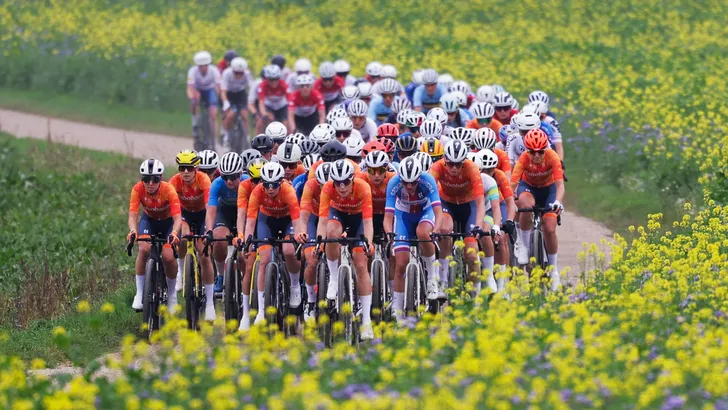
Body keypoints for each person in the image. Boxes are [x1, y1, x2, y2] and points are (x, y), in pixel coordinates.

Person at [237, 162, 306, 329]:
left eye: (274, 185)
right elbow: (250, 221)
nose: (270, 189)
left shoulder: (288, 191)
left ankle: (295, 285)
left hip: (286, 221)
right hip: (266, 221)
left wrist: (298, 235)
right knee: (264, 259)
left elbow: (297, 219)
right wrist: (246, 242)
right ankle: (261, 311)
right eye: (266, 184)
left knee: (288, 250)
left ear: (281, 182)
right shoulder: (257, 192)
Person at [316, 159, 375, 340]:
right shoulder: (328, 188)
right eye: (337, 183)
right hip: (338, 214)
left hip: (359, 219)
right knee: (331, 233)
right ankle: (334, 279)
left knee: (361, 265)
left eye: (346, 182)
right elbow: (322, 220)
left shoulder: (363, 187)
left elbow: (368, 222)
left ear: (352, 179)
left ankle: (366, 320)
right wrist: (319, 242)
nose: (342, 187)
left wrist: (368, 243)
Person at [384, 156, 442, 320]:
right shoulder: (393, 183)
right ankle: (397, 310)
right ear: (400, 179)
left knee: (422, 232)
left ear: (419, 178)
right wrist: (389, 233)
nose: (409, 186)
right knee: (401, 264)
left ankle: (432, 277)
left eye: (413, 183)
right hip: (403, 216)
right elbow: (388, 216)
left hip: (425, 212)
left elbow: (438, 212)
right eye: (405, 183)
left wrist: (436, 231)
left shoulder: (428, 180)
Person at [510, 129, 565, 291]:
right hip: (529, 188)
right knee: (526, 207)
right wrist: (511, 201)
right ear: (527, 150)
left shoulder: (552, 156)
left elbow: (560, 185)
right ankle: (525, 246)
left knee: (549, 228)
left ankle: (554, 271)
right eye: (532, 152)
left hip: (549, 190)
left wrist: (558, 201)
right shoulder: (523, 159)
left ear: (545, 148)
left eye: (540, 151)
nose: (536, 155)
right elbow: (512, 184)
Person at [428, 141, 485, 290]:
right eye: (451, 164)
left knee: (472, 254)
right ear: (445, 160)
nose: (454, 168)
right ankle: (443, 281)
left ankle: (476, 294)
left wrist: (478, 226)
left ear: (464, 162)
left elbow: (480, 202)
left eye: (458, 164)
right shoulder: (437, 167)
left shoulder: (472, 168)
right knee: (445, 230)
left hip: (469, 205)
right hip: (447, 203)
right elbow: (428, 194)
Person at [127, 159, 182, 313]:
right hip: (149, 221)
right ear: (142, 179)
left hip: (168, 223)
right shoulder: (137, 189)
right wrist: (133, 230)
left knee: (168, 257)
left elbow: (178, 218)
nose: (150, 183)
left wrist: (174, 233)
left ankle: (172, 295)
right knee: (143, 249)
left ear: (161, 178)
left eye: (155, 179)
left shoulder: (168, 189)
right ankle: (140, 293)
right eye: (146, 179)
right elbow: (133, 215)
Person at [168, 150, 216, 319]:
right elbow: (172, 208)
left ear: (196, 168)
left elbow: (209, 207)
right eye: (182, 168)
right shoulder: (174, 181)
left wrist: (208, 230)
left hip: (202, 215)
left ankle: (210, 303)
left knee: (204, 254)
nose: (186, 172)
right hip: (185, 215)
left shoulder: (203, 180)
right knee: (182, 236)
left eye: (189, 168)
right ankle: (181, 274)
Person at [203, 152, 244, 294]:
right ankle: (220, 276)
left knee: (247, 249)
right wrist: (209, 230)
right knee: (218, 239)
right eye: (225, 177)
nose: (229, 181)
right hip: (224, 213)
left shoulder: (247, 182)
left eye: (233, 177)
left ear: (240, 174)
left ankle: (247, 279)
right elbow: (211, 211)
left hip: (243, 213)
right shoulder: (217, 183)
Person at [478, 149, 516, 292]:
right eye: (483, 170)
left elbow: (510, 202)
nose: (486, 173)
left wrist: (510, 220)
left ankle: (501, 283)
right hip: (482, 206)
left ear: (494, 168)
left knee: (501, 237)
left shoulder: (499, 176)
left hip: (499, 204)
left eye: (490, 170)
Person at [299, 163, 332, 321]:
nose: (325, 190)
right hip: (314, 217)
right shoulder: (310, 185)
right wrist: (302, 232)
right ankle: (311, 301)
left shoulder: (340, 186)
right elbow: (304, 214)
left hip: (332, 217)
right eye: (321, 186)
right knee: (312, 260)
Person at [466, 152, 501, 295]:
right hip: (469, 211)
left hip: (486, 211)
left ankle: (489, 274)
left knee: (486, 233)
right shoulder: (460, 180)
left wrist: (496, 226)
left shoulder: (489, 181)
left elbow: (496, 207)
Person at [358, 151, 395, 240]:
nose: (376, 175)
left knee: (391, 242)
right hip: (369, 215)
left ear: (387, 168)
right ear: (367, 169)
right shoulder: (360, 179)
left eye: (381, 170)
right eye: (372, 171)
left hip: (389, 214)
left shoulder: (393, 178)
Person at [187, 51, 221, 143]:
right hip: (198, 90)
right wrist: (192, 98)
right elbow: (190, 88)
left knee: (213, 115)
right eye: (201, 66)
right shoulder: (192, 71)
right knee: (194, 101)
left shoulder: (214, 70)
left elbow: (218, 87)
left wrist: (220, 98)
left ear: (208, 64)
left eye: (205, 65)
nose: (203, 68)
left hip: (209, 90)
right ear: (197, 66)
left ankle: (214, 139)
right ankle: (195, 123)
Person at [220, 57, 253, 147]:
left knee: (244, 115)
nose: (238, 75)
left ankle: (247, 137)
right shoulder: (226, 73)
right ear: (232, 70)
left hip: (240, 93)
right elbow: (223, 91)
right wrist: (225, 102)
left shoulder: (247, 74)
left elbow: (251, 87)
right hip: (229, 94)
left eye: (241, 73)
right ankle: (226, 136)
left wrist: (250, 100)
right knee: (230, 115)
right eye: (236, 73)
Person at [253, 65, 289, 135]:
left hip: (282, 106)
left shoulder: (283, 84)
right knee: (262, 122)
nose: (274, 82)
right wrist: (264, 114)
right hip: (269, 106)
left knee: (286, 124)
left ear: (279, 78)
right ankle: (257, 139)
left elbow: (290, 100)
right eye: (271, 80)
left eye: (276, 79)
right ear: (267, 79)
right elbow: (261, 102)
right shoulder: (263, 85)